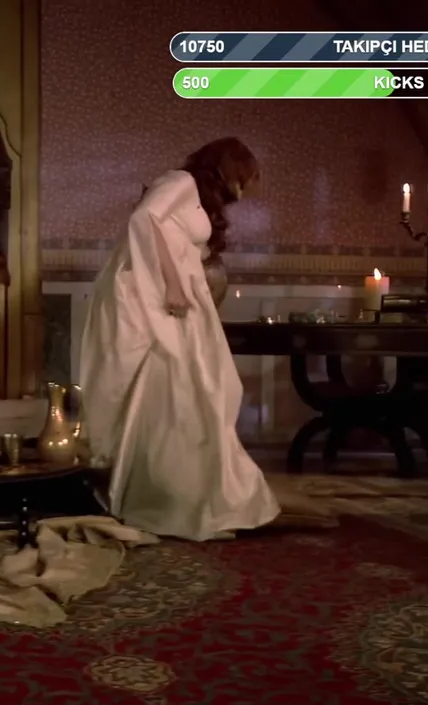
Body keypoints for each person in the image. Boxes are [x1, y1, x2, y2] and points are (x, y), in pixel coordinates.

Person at [78, 137, 281, 541]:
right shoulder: (181, 181)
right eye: (243, 177)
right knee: (178, 388)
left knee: (198, 388)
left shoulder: (193, 195)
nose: (243, 189)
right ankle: (171, 497)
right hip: (155, 296)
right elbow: (144, 219)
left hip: (176, 298)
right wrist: (173, 282)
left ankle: (195, 493)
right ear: (229, 167)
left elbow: (171, 237)